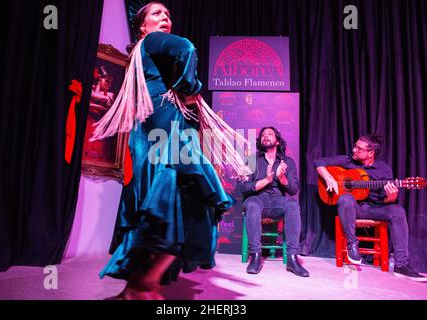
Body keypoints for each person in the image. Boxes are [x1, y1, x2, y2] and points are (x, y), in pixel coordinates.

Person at [91, 2, 249, 300]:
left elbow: (186, 48)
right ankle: (141, 286)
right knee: (169, 204)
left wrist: (187, 88)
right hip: (158, 133)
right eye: (157, 14)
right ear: (141, 25)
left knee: (162, 203)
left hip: (161, 134)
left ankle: (142, 286)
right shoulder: (148, 45)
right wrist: (187, 90)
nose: (165, 18)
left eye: (168, 15)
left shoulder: (148, 48)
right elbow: (185, 50)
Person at [314, 133, 426, 282]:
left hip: (374, 209)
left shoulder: (383, 170)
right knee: (346, 198)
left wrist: (391, 197)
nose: (354, 150)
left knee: (397, 210)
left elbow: (385, 200)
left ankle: (401, 265)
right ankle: (352, 244)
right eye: (355, 146)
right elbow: (318, 161)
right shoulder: (348, 160)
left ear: (370, 153)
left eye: (359, 149)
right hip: (352, 209)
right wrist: (329, 178)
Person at [238, 126, 309, 277]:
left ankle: (292, 258)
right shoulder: (251, 160)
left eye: (270, 134)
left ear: (277, 141)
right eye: (263, 134)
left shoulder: (287, 162)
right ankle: (256, 255)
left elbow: (294, 189)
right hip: (257, 199)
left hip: (277, 201)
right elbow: (243, 187)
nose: (266, 136)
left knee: (292, 205)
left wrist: (282, 178)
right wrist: (267, 180)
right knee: (251, 204)